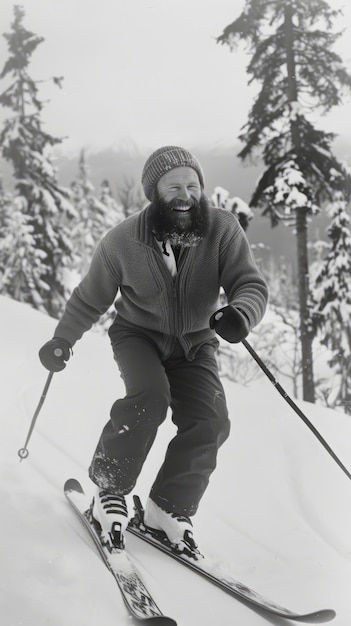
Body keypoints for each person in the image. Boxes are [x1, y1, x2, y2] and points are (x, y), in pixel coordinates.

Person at [39, 146, 268, 554]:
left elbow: (249, 284)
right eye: (174, 185)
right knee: (149, 399)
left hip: (196, 342)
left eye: (192, 184)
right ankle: (109, 492)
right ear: (155, 192)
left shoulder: (222, 229)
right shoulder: (122, 242)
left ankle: (166, 508)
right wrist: (62, 340)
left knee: (211, 421)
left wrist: (240, 313)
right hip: (138, 335)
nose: (185, 194)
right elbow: (90, 298)